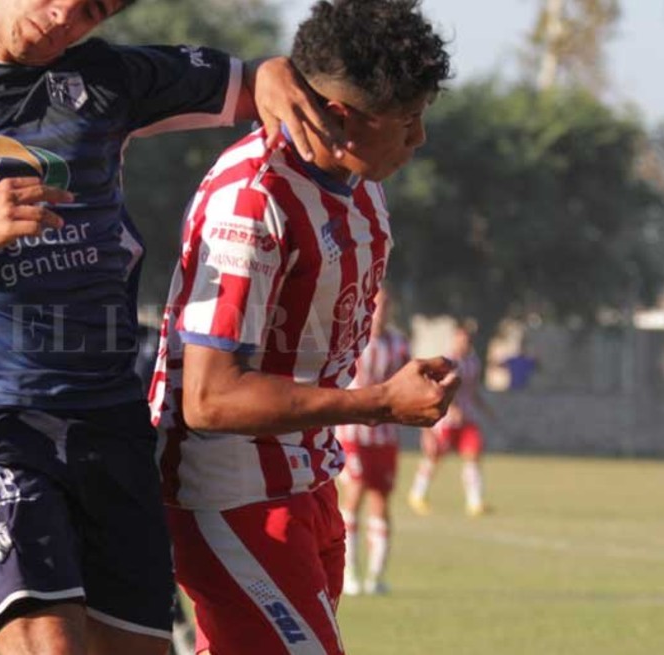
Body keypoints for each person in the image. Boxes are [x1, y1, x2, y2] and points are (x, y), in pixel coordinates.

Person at [0, 0, 345, 652]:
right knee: (51, 644)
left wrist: (273, 73)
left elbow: (255, 79)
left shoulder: (109, 77)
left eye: (91, 11)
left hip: (111, 419)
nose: (64, 17)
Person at [148, 1, 455, 651]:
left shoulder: (361, 184)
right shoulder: (254, 198)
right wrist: (380, 402)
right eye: (406, 120)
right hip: (230, 492)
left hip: (309, 477)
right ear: (340, 116)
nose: (419, 138)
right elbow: (210, 397)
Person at [333, 289, 412, 597]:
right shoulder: (350, 338)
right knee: (354, 494)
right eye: (377, 305)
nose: (381, 311)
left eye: (386, 306)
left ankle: (377, 577)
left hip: (385, 437)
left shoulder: (399, 344)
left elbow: (408, 383)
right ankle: (349, 573)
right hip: (353, 434)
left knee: (381, 500)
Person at [407, 323, 496, 517]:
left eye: (467, 341)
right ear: (454, 340)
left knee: (473, 455)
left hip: (467, 419)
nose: (463, 344)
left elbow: (472, 391)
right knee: (435, 456)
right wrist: (452, 409)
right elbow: (437, 391)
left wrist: (485, 408)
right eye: (460, 340)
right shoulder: (445, 364)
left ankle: (475, 502)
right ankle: (417, 493)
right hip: (446, 421)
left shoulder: (473, 362)